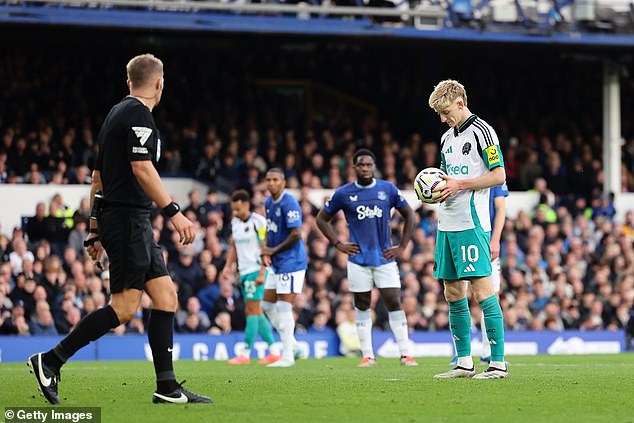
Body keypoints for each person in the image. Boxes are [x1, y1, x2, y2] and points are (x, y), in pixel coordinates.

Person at [28, 54, 211, 404]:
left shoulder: (114, 114)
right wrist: (175, 212)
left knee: (166, 298)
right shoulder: (139, 115)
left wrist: (93, 229)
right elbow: (141, 169)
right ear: (159, 84)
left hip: (125, 220)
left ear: (129, 82)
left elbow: (98, 178)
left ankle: (168, 388)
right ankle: (50, 361)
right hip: (128, 220)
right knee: (125, 308)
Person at [428, 79, 508, 379]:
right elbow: (447, 179)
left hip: (472, 223)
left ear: (461, 102)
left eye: (446, 111)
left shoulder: (483, 132)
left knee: (482, 291)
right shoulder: (446, 139)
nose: (442, 118)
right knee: (451, 291)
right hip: (447, 223)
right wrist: (434, 189)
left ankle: (498, 364)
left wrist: (460, 184)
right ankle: (464, 362)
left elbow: (499, 175)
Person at [316, 149, 418, 367]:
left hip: (384, 258)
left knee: (393, 301)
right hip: (358, 260)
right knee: (362, 305)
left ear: (374, 166)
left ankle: (405, 353)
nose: (365, 168)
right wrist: (338, 243)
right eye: (361, 165)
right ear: (354, 167)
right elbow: (321, 219)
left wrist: (402, 246)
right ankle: (368, 355)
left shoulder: (387, 189)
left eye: (369, 165)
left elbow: (410, 214)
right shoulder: (344, 193)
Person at [449, 182, 508, 366]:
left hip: (484, 238)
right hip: (459, 234)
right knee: (456, 293)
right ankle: (462, 355)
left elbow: (500, 208)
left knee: (489, 294)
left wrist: (495, 239)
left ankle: (488, 351)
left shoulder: (492, 173)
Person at [220, 190, 280, 365]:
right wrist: (227, 267)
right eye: (233, 210)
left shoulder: (258, 222)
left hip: (256, 271)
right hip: (244, 271)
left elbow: (265, 248)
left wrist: (263, 272)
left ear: (246, 205)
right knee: (257, 311)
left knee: (251, 310)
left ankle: (245, 353)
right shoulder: (235, 223)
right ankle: (274, 351)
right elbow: (234, 247)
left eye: (238, 209)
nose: (236, 213)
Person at [260, 168, 308, 367]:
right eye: (268, 180)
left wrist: (273, 250)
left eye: (275, 180)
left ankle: (288, 356)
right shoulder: (269, 202)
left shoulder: (289, 202)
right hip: (277, 262)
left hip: (292, 261)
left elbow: (297, 233)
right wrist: (265, 249)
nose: (271, 183)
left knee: (283, 307)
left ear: (283, 182)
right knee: (266, 305)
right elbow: (270, 230)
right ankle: (294, 346)